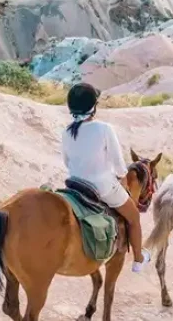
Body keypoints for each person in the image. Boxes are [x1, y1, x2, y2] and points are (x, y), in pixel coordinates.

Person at [62, 82, 150, 272]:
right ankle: (138, 259)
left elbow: (67, 162)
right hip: (102, 186)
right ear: (94, 107)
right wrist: (122, 178)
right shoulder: (104, 129)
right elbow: (118, 164)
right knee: (134, 216)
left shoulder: (67, 131)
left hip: (74, 185)